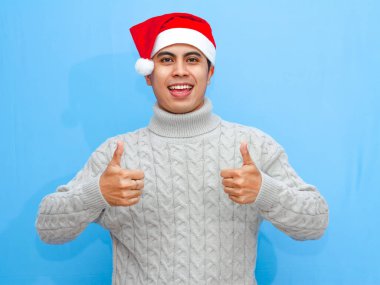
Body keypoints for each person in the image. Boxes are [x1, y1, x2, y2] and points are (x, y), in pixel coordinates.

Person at [36, 12, 329, 285]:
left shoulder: (253, 146)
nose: (179, 71)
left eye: (192, 59)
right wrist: (96, 193)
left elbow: (315, 222)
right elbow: (48, 228)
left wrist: (265, 191)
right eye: (166, 60)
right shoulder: (116, 153)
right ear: (149, 74)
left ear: (209, 72)